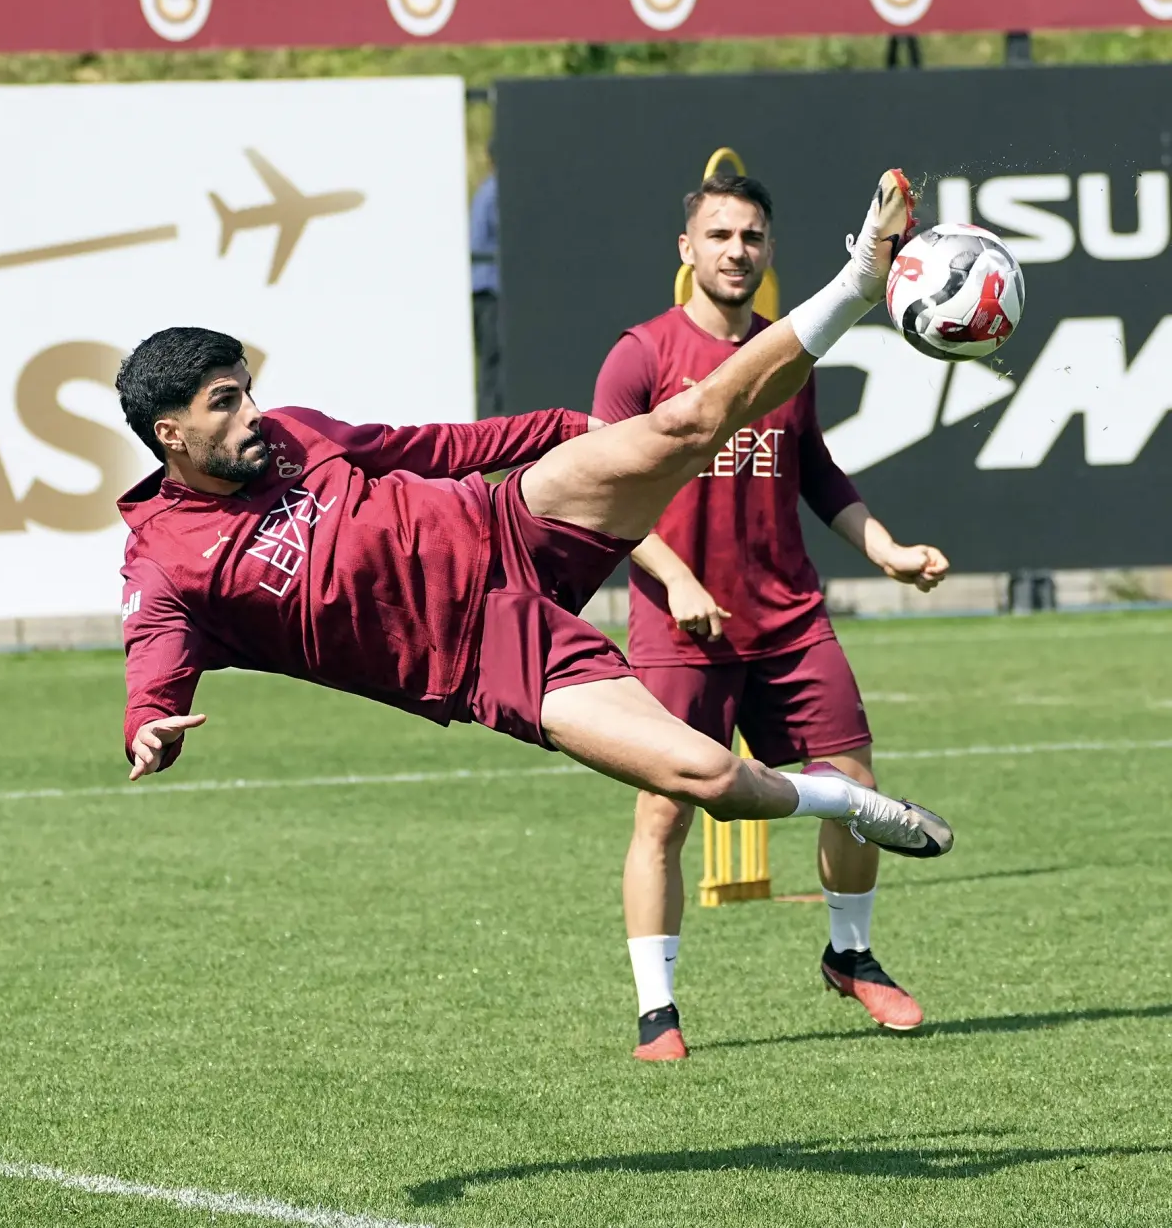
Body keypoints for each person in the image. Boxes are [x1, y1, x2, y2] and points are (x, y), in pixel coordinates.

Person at [115, 170, 952, 889]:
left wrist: (564, 428)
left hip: (511, 523)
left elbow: (436, 448)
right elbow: (152, 659)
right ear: (171, 435)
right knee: (706, 774)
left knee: (682, 423)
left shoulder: (294, 430)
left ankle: (858, 282)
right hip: (487, 655)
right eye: (226, 402)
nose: (255, 412)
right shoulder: (164, 563)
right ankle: (844, 799)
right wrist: (147, 719)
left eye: (247, 388)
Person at [593, 172, 950, 1061]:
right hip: (682, 629)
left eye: (751, 236)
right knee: (664, 814)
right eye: (719, 235)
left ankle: (852, 954)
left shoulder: (790, 352)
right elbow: (603, 493)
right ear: (687, 251)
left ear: (769, 250)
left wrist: (887, 549)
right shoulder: (640, 355)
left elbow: (818, 472)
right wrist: (675, 580)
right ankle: (658, 1013)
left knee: (859, 791)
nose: (736, 251)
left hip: (790, 619)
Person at [469, 147, 502, 417]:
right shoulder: (496, 192)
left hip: (481, 288)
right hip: (490, 289)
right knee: (493, 363)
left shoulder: (485, 190)